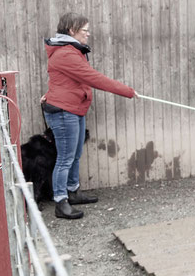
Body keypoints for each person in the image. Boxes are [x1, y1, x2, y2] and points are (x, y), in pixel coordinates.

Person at [43, 12, 136, 220]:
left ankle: (73, 191)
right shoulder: (66, 53)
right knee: (65, 158)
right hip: (63, 111)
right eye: (85, 30)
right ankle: (60, 201)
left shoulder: (73, 50)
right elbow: (94, 78)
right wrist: (127, 91)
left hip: (74, 109)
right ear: (71, 31)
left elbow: (67, 80)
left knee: (74, 155)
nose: (88, 34)